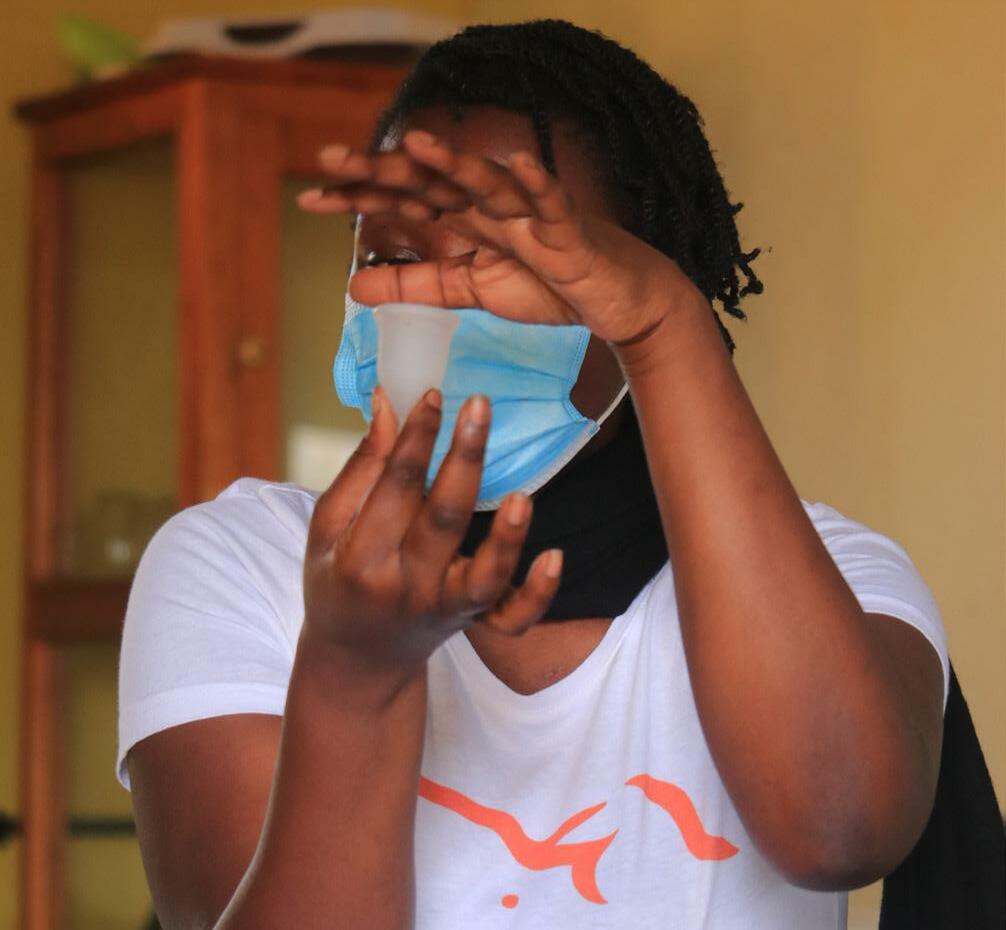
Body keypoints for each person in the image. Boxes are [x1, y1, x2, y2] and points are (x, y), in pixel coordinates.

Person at [117, 19, 958, 930]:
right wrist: (354, 678)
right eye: (392, 258)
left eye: (506, 262)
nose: (438, 301)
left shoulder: (835, 581)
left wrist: (667, 331)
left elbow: (840, 833)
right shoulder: (243, 565)